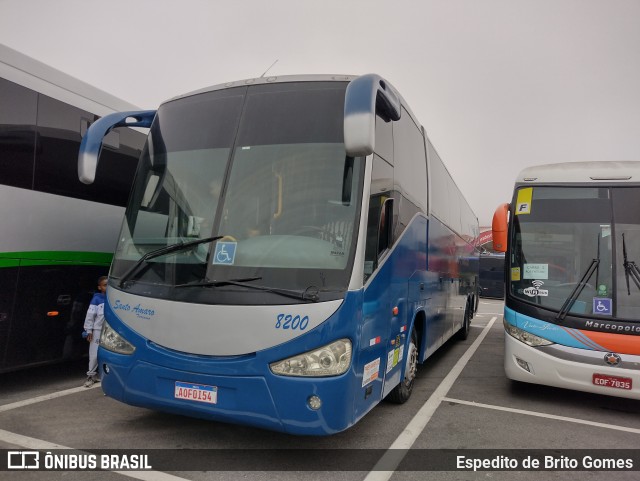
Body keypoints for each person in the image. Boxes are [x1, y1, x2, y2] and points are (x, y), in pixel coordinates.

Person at [82, 276, 107, 387]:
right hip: (97, 331)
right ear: (99, 287)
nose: (107, 287)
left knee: (107, 355)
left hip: (110, 331)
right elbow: (90, 316)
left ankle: (107, 378)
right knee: (95, 355)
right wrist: (89, 330)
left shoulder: (114, 299)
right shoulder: (96, 299)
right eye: (105, 285)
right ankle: (91, 376)